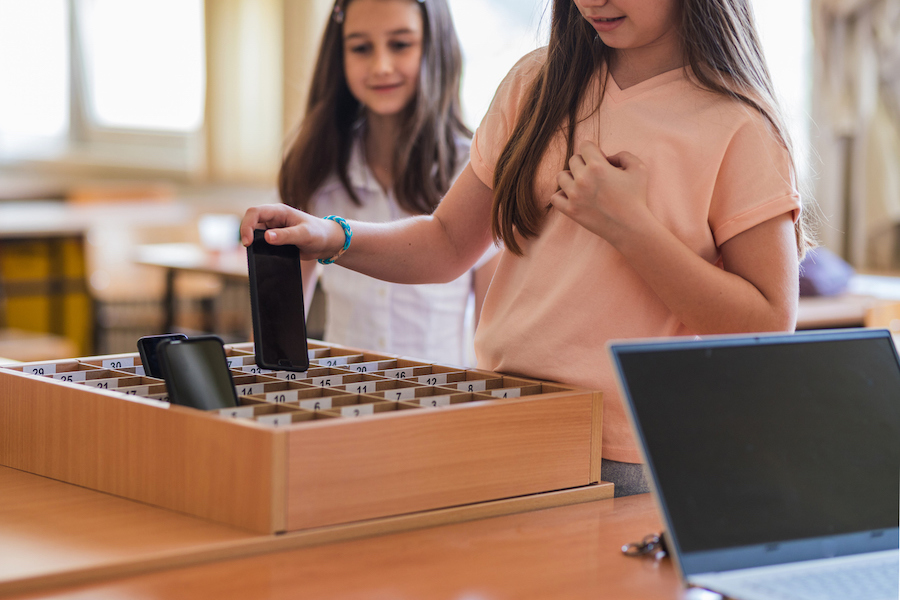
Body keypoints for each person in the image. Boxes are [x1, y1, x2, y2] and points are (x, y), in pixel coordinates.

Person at [242, 0, 815, 496]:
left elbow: (766, 322)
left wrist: (630, 227)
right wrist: (330, 236)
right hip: (503, 413)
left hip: (628, 457)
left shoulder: (740, 125)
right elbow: (444, 244)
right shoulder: (535, 86)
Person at [279, 0, 499, 366]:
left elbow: (492, 334)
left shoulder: (478, 168)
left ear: (435, 47)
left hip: (442, 407)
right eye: (361, 48)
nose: (381, 66)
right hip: (339, 403)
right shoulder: (314, 166)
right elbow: (279, 325)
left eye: (400, 44)